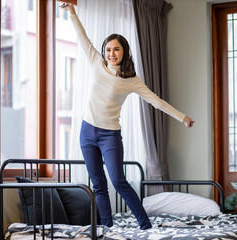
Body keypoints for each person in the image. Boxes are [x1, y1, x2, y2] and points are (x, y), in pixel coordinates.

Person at [61, 3, 195, 230]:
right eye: (108, 49)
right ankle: (107, 229)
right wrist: (72, 11)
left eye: (116, 49)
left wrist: (182, 117)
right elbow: (81, 34)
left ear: (124, 52)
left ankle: (145, 225)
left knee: (118, 181)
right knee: (98, 185)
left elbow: (156, 101)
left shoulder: (131, 80)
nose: (111, 54)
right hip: (87, 132)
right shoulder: (96, 62)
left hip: (109, 135)